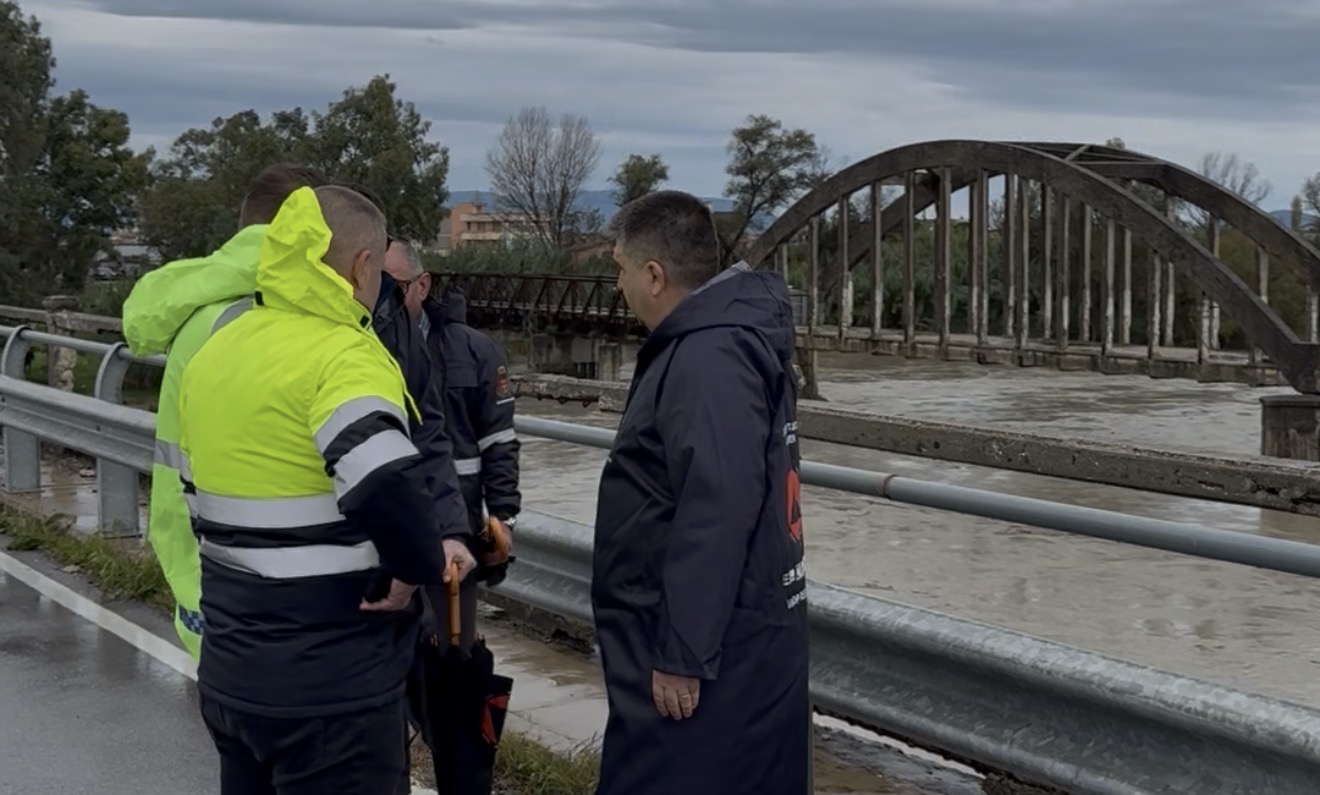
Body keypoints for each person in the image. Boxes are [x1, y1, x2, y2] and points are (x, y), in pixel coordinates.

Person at [177, 184, 476, 795]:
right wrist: (414, 564)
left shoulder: (221, 348)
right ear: (365, 265)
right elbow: (386, 481)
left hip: (232, 668)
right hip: (331, 683)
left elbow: (196, 497)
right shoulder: (341, 353)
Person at [591, 190, 810, 795]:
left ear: (654, 275)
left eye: (620, 269)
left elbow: (717, 507)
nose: (619, 285)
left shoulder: (708, 356)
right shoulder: (718, 343)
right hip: (730, 643)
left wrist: (683, 653)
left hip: (713, 660)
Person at [120, 162, 325, 659]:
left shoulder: (199, 310)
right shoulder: (279, 315)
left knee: (225, 715)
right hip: (268, 572)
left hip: (195, 554)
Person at [383, 241, 521, 654]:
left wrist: (502, 522)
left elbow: (500, 444)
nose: (384, 300)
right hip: (386, 531)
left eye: (396, 287)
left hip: (454, 529)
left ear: (422, 285)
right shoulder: (362, 348)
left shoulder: (473, 350)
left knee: (449, 654)